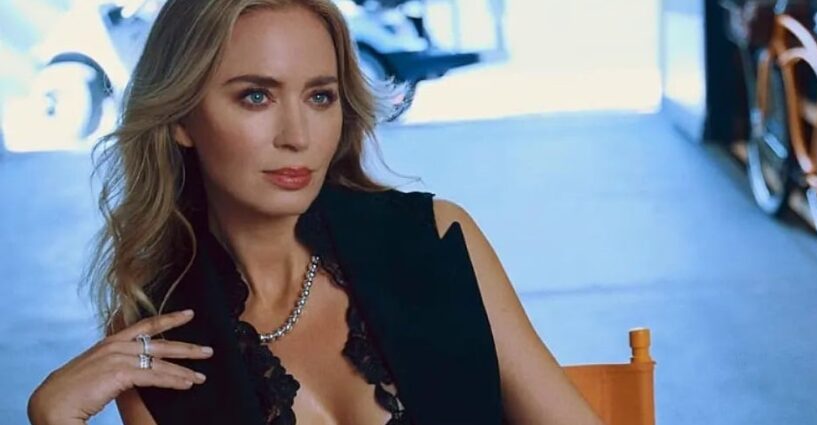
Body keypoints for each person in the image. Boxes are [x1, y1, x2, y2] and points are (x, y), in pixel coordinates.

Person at [27, 1, 604, 424]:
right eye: (256, 96)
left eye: (320, 96)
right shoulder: (158, 332)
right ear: (181, 119)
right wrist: (56, 417)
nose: (297, 136)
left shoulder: (435, 239)